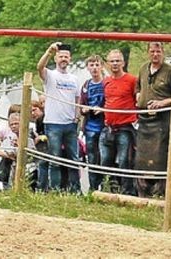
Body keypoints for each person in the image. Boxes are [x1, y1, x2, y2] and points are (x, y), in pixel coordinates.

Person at [135, 41, 171, 198]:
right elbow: (137, 87)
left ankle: (161, 192)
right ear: (148, 52)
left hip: (162, 121)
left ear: (163, 52)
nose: (155, 54)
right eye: (152, 51)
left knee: (161, 156)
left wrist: (162, 103)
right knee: (141, 157)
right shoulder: (143, 69)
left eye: (158, 51)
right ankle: (143, 192)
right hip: (144, 120)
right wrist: (139, 96)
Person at [37, 41, 81, 192]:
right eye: (61, 56)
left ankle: (76, 189)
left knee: (73, 159)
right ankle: (54, 189)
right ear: (56, 59)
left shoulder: (74, 79)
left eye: (66, 57)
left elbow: (77, 99)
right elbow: (39, 67)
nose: (64, 59)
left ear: (70, 59)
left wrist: (77, 116)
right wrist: (49, 51)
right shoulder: (50, 75)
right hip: (53, 123)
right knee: (54, 159)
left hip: (70, 123)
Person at [100, 49, 139, 196]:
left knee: (124, 161)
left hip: (125, 127)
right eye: (112, 61)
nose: (115, 63)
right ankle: (109, 189)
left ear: (123, 62)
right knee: (105, 160)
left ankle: (127, 191)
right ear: (108, 64)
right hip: (108, 127)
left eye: (117, 61)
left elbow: (138, 99)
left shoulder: (131, 80)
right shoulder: (106, 81)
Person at [78, 54, 106, 191]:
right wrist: (84, 109)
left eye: (97, 65)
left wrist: (103, 109)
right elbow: (81, 105)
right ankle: (93, 188)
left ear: (102, 66)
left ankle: (105, 186)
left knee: (104, 157)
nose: (94, 68)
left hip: (104, 126)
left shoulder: (106, 83)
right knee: (92, 157)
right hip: (90, 127)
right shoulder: (86, 85)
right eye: (91, 65)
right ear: (87, 67)